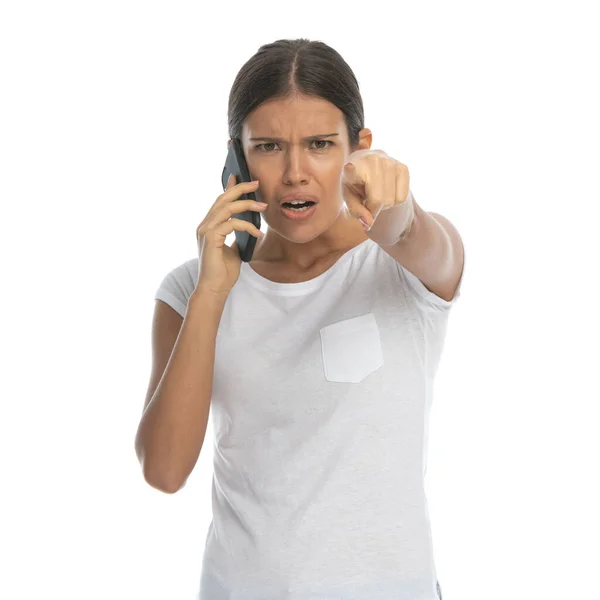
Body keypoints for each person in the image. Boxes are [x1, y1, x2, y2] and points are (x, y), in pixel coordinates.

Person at [134, 37, 465, 600]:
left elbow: (416, 238)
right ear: (236, 158)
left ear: (357, 147)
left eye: (319, 144)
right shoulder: (188, 289)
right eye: (266, 146)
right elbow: (165, 472)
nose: (295, 172)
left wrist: (397, 204)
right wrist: (214, 290)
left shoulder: (400, 266)